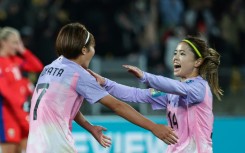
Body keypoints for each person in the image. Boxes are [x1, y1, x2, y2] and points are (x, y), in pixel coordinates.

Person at [26, 22, 178, 153]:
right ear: (84, 50)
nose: (94, 51)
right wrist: (153, 127)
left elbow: (61, 105)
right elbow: (117, 106)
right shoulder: (78, 74)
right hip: (56, 146)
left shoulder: (50, 67)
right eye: (93, 47)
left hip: (35, 145)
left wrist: (89, 127)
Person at [88, 36, 223, 153]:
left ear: (197, 62)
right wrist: (105, 83)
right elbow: (136, 94)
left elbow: (176, 86)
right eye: (175, 53)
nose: (175, 57)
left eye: (182, 54)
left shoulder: (199, 88)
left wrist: (145, 77)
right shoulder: (171, 93)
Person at [0, 27, 43, 153]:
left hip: (21, 113)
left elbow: (37, 66)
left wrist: (23, 51)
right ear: (3, 42)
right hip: (7, 115)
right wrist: (21, 114)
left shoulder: (15, 61)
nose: (17, 46)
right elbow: (6, 92)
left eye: (19, 42)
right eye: (14, 43)